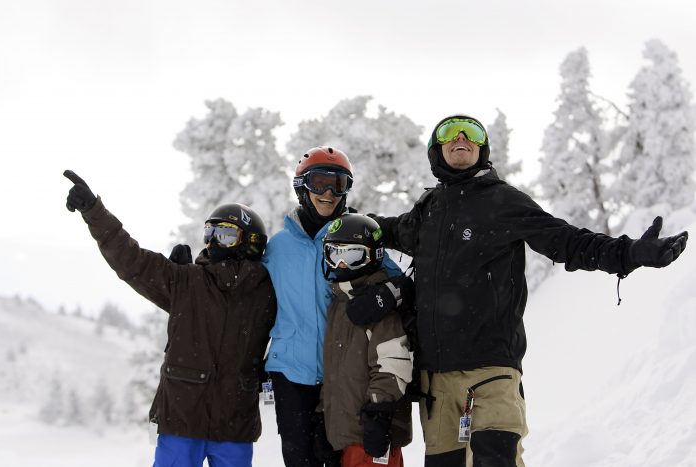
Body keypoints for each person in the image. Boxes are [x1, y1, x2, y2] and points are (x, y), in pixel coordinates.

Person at [351, 115, 689, 467]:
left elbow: (567, 241)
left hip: (491, 371)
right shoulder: (427, 213)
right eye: (449, 133)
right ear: (437, 150)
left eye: (473, 132)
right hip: (436, 381)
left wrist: (629, 253)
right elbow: (381, 230)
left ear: (483, 148)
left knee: (497, 460)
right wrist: (342, 217)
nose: (461, 137)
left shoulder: (504, 202)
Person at [63, 170, 277, 467]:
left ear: (251, 242)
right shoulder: (185, 281)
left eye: (226, 235)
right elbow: (131, 261)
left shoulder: (267, 292)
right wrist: (94, 211)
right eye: (210, 232)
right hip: (182, 416)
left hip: (234, 422)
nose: (214, 242)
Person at [261, 147, 410, 466]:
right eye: (319, 182)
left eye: (338, 184)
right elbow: (246, 289)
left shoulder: (355, 235)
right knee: (301, 458)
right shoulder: (278, 247)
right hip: (292, 373)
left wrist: (387, 293)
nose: (328, 193)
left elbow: (399, 282)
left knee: (347, 457)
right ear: (302, 187)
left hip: (343, 372)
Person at [319, 213, 414, 467]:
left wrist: (378, 413)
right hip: (346, 439)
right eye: (334, 254)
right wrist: (324, 415)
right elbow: (336, 372)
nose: (341, 265)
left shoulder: (378, 306)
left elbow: (393, 363)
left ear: (374, 255)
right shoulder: (339, 305)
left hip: (371, 437)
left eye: (352, 256)